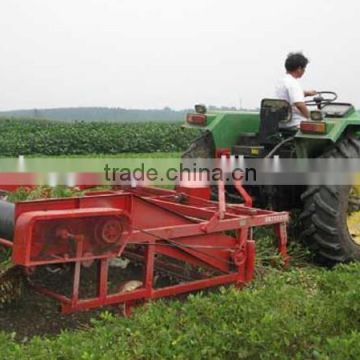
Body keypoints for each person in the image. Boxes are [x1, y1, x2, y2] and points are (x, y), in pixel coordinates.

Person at [275, 52, 317, 128]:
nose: (304, 71)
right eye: (304, 68)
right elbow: (299, 104)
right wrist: (311, 118)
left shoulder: (281, 82)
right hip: (295, 122)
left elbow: (287, 96)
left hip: (281, 122)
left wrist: (306, 93)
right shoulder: (293, 83)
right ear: (299, 69)